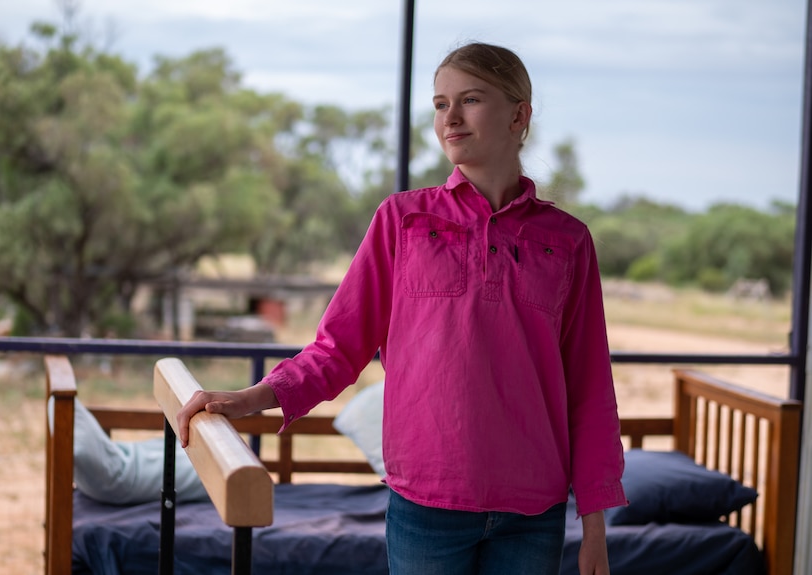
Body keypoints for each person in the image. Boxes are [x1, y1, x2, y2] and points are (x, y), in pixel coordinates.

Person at [177, 41, 626, 575]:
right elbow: (339, 347)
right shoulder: (403, 221)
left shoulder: (568, 240)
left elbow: (589, 388)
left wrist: (594, 526)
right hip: (427, 503)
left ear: (519, 115)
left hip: (534, 511)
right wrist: (251, 398)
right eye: (440, 104)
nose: (450, 118)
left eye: (470, 100)